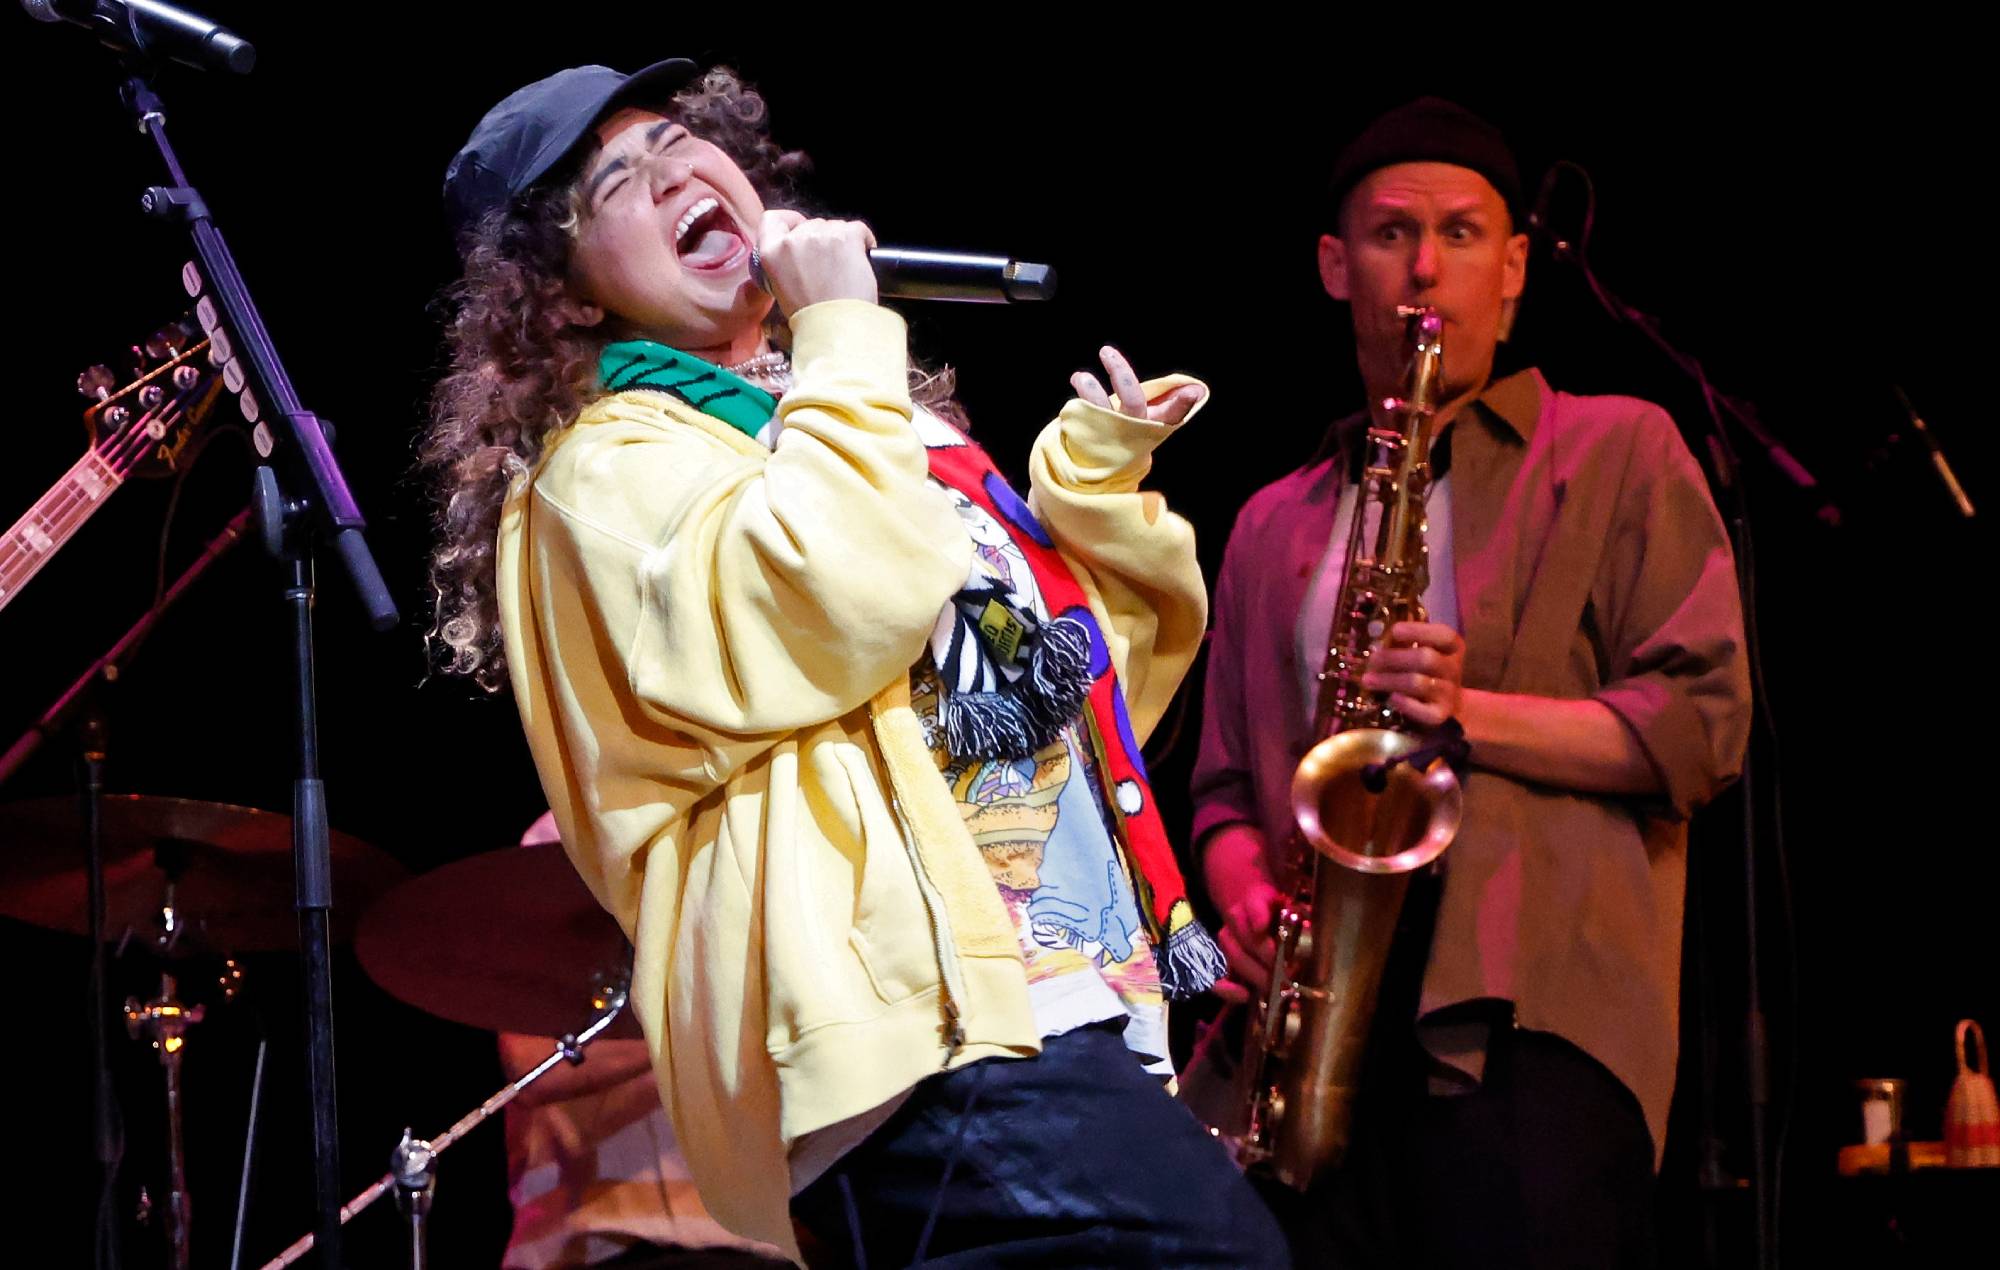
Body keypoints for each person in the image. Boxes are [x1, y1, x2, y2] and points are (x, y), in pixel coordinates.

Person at [424, 59, 1286, 1268]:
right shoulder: (603, 472)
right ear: (560, 299)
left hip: (1052, 988)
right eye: (618, 179)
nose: (676, 168)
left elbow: (1053, 715)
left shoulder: (845, 418)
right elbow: (834, 601)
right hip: (915, 1036)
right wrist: (839, 328)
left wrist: (1087, 499)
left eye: (680, 138)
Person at [1189, 96, 1753, 1268]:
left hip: (1529, 1017)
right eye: (1391, 234)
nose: (1424, 266)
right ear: (1334, 267)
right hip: (1308, 1035)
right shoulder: (1266, 520)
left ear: (1512, 269)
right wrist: (1239, 884)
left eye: (1460, 233)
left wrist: (1466, 713)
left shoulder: (1617, 449)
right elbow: (1225, 786)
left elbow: (1702, 725)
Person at [499, 813, 790, 1269]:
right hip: (588, 1241)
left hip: (758, 1241)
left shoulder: (771, 825)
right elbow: (534, 1061)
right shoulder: (564, 832)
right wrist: (708, 1023)